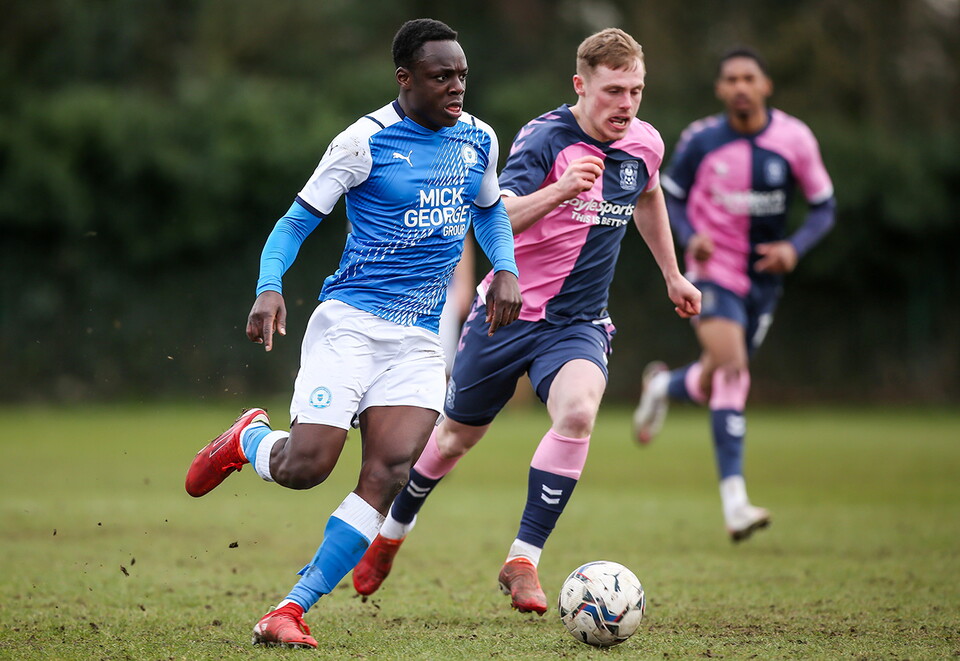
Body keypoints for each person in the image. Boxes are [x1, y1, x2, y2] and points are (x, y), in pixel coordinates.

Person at [183, 18, 521, 648]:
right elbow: (294, 222)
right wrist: (268, 284)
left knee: (390, 471)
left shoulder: (478, 139)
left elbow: (491, 207)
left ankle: (290, 608)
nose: (457, 87)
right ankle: (250, 440)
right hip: (352, 326)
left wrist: (505, 265)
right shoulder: (362, 142)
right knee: (306, 466)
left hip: (420, 339)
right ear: (405, 79)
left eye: (462, 75)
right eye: (441, 76)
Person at [352, 28, 701, 615]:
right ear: (580, 86)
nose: (627, 104)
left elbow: (647, 195)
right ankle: (392, 533)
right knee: (455, 438)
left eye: (636, 91)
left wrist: (673, 272)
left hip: (578, 323)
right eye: (614, 91)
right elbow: (497, 216)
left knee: (580, 411)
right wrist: (563, 189)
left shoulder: (645, 144)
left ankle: (523, 559)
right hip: (505, 315)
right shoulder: (545, 139)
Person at [632, 47, 836, 542]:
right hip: (711, 272)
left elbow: (824, 208)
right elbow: (666, 195)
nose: (740, 86)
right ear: (721, 89)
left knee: (716, 378)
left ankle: (662, 386)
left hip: (764, 282)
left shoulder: (795, 138)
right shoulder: (701, 139)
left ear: (765, 85)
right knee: (733, 369)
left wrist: (794, 246)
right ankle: (735, 503)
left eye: (749, 77)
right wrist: (689, 237)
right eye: (730, 79)